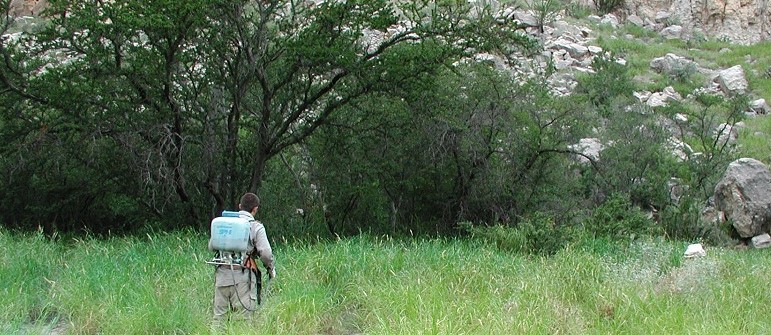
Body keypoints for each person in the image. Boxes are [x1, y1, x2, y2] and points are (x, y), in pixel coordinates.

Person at [209, 192, 275, 323]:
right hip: (243, 277)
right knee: (243, 321)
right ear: (255, 209)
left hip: (222, 275)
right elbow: (266, 253)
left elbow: (211, 246)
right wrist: (270, 268)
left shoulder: (224, 223)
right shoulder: (256, 226)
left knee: (219, 320)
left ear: (240, 206)